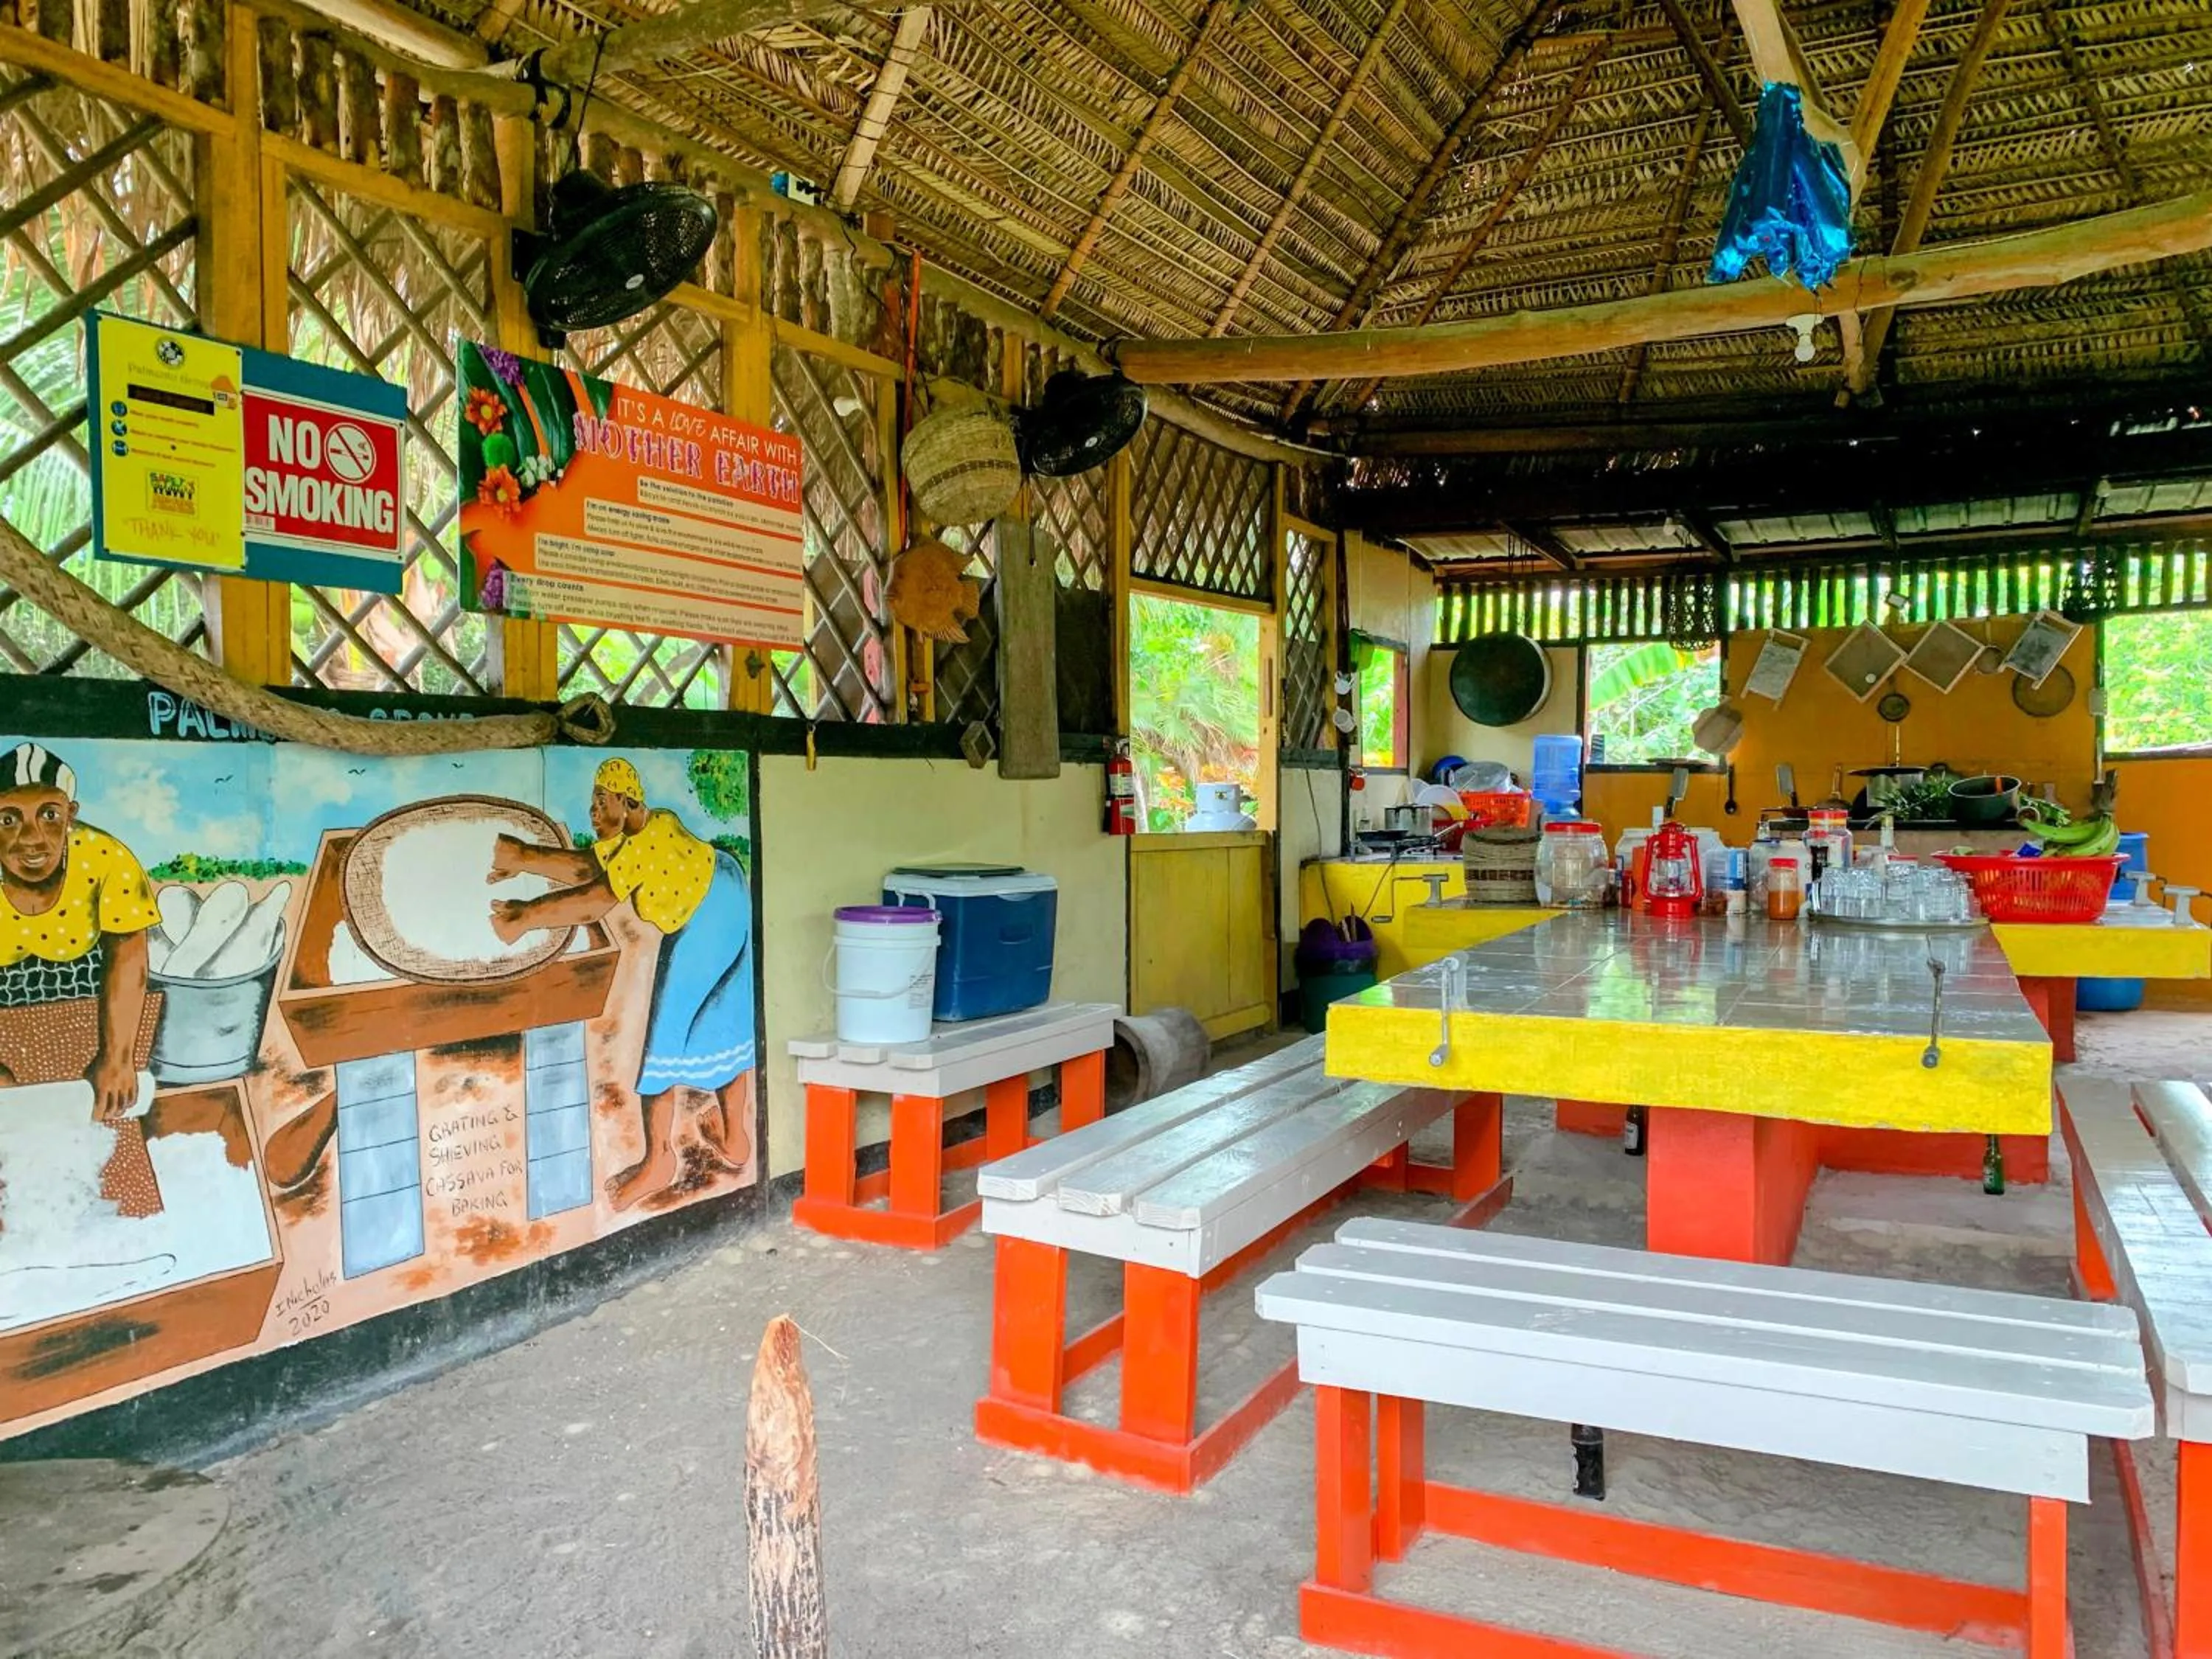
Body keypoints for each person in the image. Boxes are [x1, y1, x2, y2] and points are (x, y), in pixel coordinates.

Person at [488, 757, 754, 1211]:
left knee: (665, 1038)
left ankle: (658, 1163)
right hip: (728, 883)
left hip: (708, 921)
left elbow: (593, 900)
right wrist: (522, 858)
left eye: (601, 800)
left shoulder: (642, 848)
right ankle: (735, 1141)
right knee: (722, 1018)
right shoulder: (652, 827)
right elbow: (590, 867)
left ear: (628, 803)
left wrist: (522, 917)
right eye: (592, 800)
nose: (592, 809)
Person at [0, 742, 161, 1119]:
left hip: (86, 1003)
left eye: (49, 815)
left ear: (71, 814)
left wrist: (118, 1058)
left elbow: (128, 952)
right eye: (8, 819)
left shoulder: (106, 858)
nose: (31, 837)